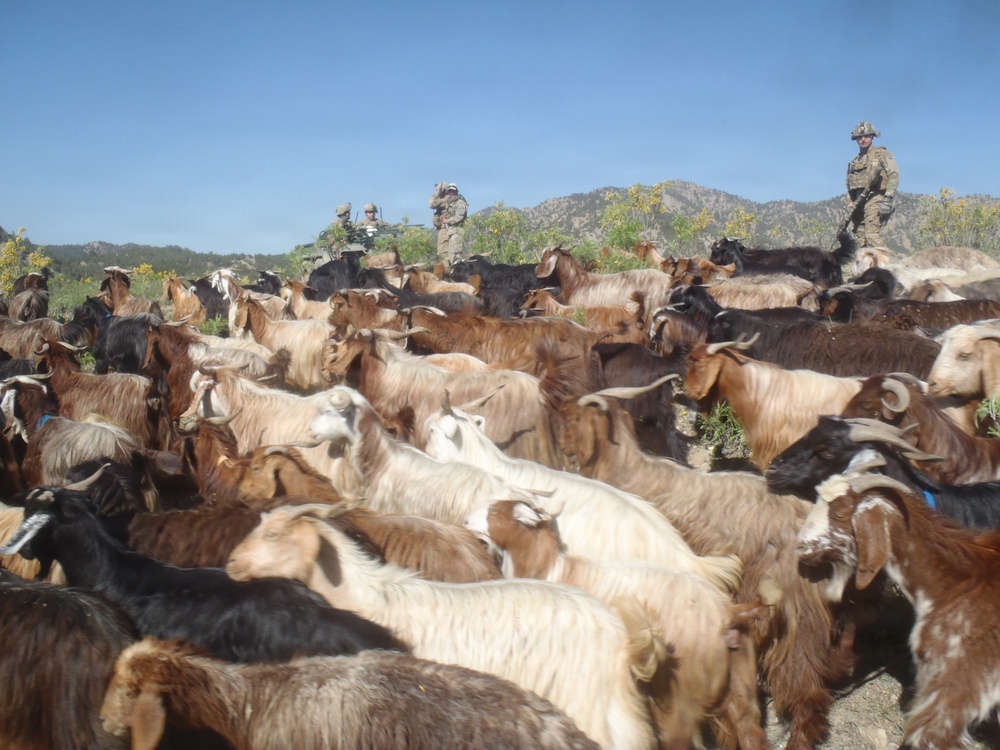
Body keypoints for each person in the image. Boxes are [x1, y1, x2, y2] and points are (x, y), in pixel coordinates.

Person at [845, 121, 899, 247]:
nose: (863, 139)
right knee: (860, 240)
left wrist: (887, 198)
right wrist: (851, 201)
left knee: (871, 236)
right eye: (860, 137)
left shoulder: (882, 154)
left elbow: (893, 175)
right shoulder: (854, 162)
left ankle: (889, 264)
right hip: (858, 201)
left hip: (876, 197)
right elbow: (849, 184)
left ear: (872, 136)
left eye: (866, 136)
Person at [429, 182, 468, 264]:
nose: (451, 193)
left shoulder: (458, 201)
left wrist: (437, 192)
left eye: (453, 191)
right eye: (449, 191)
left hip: (456, 231)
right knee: (451, 256)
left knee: (454, 256)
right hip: (451, 231)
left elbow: (431, 203)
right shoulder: (450, 201)